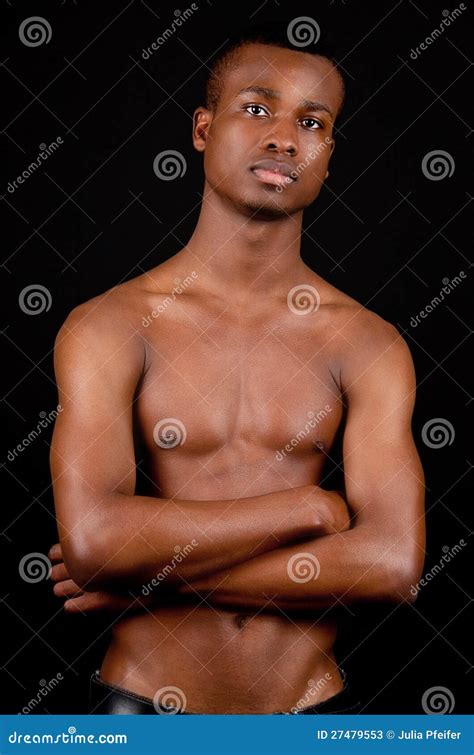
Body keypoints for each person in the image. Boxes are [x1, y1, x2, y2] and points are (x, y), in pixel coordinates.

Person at [48, 29, 426, 715]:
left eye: (312, 122)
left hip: (311, 713)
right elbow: (95, 539)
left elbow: (393, 564)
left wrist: (144, 578)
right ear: (202, 128)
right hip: (140, 710)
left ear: (328, 156)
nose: (285, 137)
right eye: (257, 109)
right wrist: (312, 509)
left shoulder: (369, 342)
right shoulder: (108, 325)